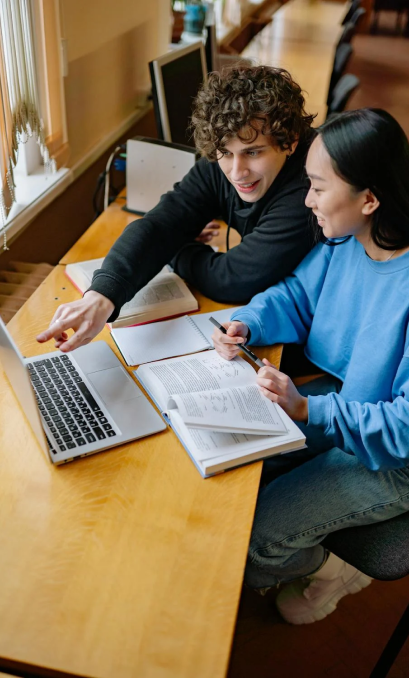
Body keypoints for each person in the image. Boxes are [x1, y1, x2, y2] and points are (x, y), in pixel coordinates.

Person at [211, 108, 409, 625]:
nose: (306, 199)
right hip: (348, 402)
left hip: (396, 458)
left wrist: (306, 408)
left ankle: (334, 570)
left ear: (369, 198)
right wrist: (249, 322)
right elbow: (297, 293)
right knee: (241, 473)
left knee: (253, 547)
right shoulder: (346, 242)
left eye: (318, 188)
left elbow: (406, 428)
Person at [37, 66, 315, 352]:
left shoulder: (312, 187)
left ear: (290, 141)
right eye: (225, 153)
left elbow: (231, 279)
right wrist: (100, 296)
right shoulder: (230, 150)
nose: (236, 172)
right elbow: (161, 224)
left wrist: (177, 247)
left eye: (253, 152)